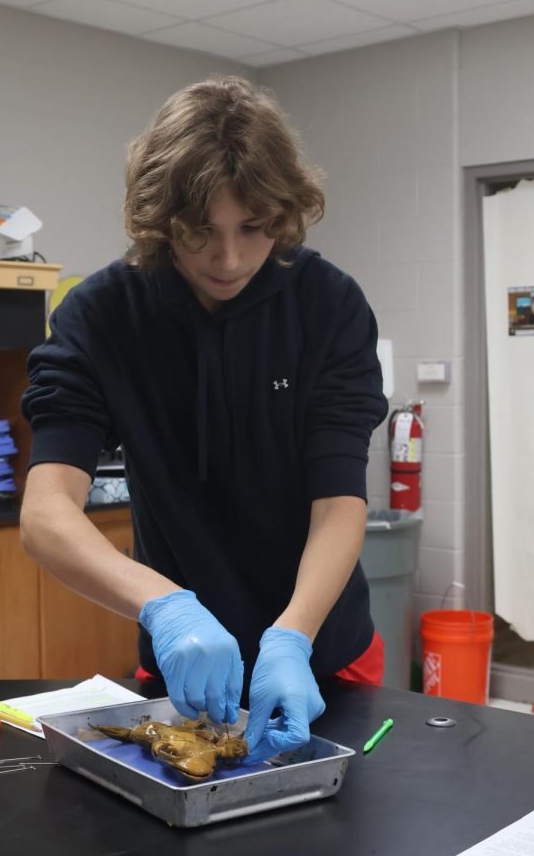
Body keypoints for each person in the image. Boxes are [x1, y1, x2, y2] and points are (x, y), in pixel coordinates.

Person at [20, 76, 388, 764]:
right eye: (199, 233)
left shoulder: (328, 306)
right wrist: (163, 606)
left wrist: (292, 636)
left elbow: (339, 501)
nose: (227, 258)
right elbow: (46, 515)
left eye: (252, 228)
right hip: (180, 675)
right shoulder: (102, 317)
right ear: (160, 222)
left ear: (284, 212)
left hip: (323, 661)